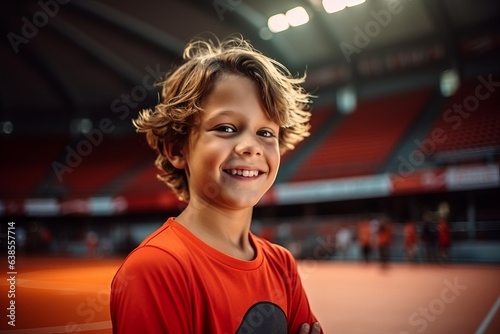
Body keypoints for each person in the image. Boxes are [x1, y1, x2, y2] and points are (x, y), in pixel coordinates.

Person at [110, 35, 322, 334]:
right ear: (176, 149)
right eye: (226, 128)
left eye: (265, 132)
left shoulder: (281, 264)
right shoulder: (156, 269)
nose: (251, 147)